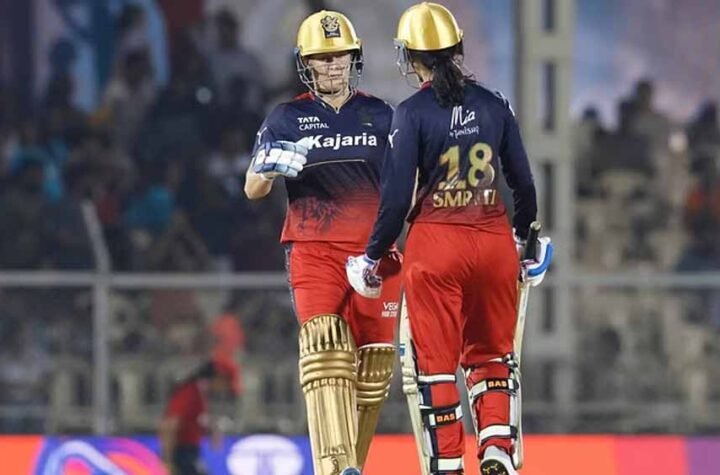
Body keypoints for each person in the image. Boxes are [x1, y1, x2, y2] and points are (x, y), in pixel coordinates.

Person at [346, 3, 552, 475]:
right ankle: (497, 446)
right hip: (493, 242)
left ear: (410, 57)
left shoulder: (410, 113)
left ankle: (448, 461)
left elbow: (395, 200)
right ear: (457, 48)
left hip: (435, 248)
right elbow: (523, 184)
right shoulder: (495, 104)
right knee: (492, 354)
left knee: (435, 365)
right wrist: (524, 238)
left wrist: (371, 256)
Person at [243, 10, 401, 475]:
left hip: (376, 254)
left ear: (354, 59)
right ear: (305, 64)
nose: (332, 66)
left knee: (374, 365)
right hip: (314, 250)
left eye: (339, 57)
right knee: (324, 342)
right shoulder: (286, 117)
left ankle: (350, 467)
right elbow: (252, 188)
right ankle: (335, 467)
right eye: (321, 58)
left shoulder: (382, 114)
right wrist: (267, 169)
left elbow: (409, 184)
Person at [159, 358, 239, 475]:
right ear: (219, 378)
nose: (225, 389)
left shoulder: (200, 393)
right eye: (226, 383)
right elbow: (169, 426)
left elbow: (194, 421)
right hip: (181, 453)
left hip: (189, 452)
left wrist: (211, 430)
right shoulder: (190, 392)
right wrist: (167, 460)